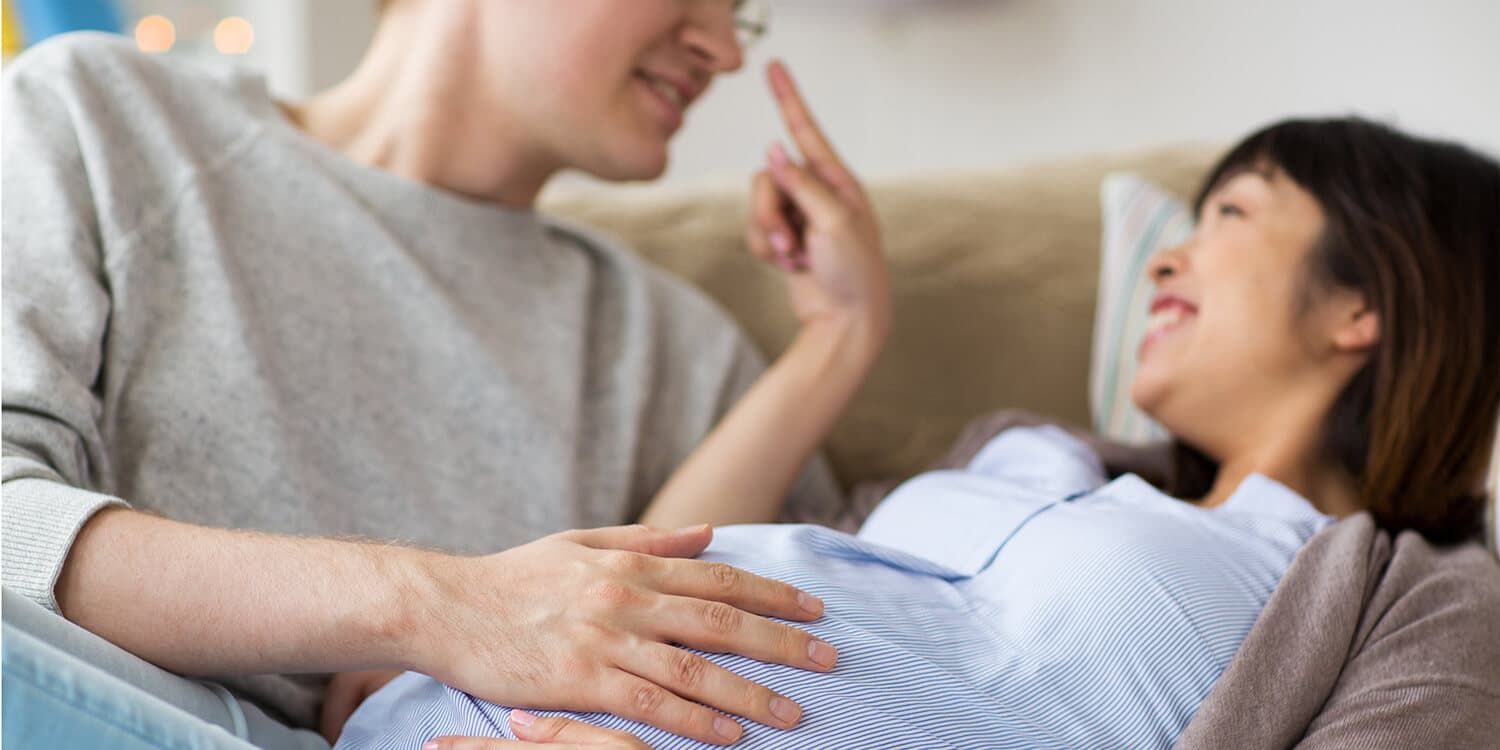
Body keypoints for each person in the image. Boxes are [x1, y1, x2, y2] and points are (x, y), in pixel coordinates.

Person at [331, 109, 1500, 748]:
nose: (1171, 256)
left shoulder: (1425, 595)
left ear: (1365, 304)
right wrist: (844, 331)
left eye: (1232, 213)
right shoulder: (1021, 452)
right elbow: (673, 555)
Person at [1, 2, 884, 748]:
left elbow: (799, 663)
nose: (725, 50)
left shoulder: (678, 349)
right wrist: (437, 610)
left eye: (740, 13)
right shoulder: (105, 116)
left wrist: (840, 339)